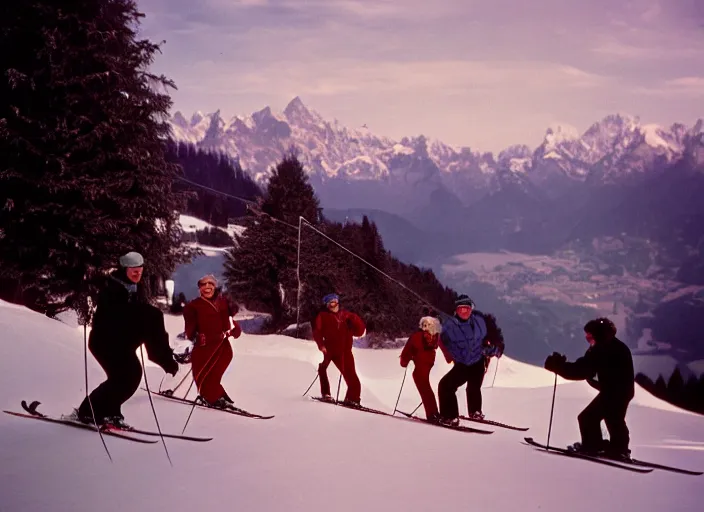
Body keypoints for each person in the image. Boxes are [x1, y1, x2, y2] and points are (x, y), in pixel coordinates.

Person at [66, 251, 179, 427]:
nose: (137, 273)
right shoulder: (112, 288)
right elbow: (117, 314)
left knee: (128, 375)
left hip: (121, 342)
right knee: (125, 376)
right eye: (133, 269)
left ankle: (110, 413)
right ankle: (87, 413)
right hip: (105, 342)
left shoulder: (133, 287)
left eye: (140, 269)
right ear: (124, 269)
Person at [544, 317, 635, 459]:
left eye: (589, 336)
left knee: (589, 418)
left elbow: (582, 370)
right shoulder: (612, 345)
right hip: (619, 391)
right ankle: (616, 448)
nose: (588, 339)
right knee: (612, 418)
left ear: (598, 334)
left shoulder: (602, 348)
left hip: (614, 392)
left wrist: (559, 366)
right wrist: (562, 366)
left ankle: (597, 447)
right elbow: (585, 366)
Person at [437, 295, 504, 426]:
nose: (464, 312)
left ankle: (476, 412)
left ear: (471, 309)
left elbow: (492, 335)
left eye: (467, 309)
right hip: (462, 364)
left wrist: (495, 348)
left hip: (478, 361)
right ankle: (450, 416)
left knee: (474, 387)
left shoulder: (480, 321)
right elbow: (438, 338)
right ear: (456, 310)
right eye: (461, 309)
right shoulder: (448, 326)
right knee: (445, 386)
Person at [182, 274, 241, 409]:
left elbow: (232, 319)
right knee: (203, 373)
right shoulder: (193, 306)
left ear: (215, 287)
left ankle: (213, 397)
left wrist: (234, 329)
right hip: (204, 347)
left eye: (211, 284)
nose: (207, 287)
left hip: (222, 346)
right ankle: (211, 397)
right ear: (199, 288)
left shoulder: (223, 302)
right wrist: (195, 337)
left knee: (214, 374)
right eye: (204, 284)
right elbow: (190, 330)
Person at [312, 293, 366, 407]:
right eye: (331, 302)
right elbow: (317, 331)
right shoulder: (322, 316)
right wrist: (321, 345)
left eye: (336, 301)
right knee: (322, 368)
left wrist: (355, 320)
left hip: (344, 352)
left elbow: (360, 332)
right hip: (329, 349)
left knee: (352, 377)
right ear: (327, 305)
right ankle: (326, 394)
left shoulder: (347, 315)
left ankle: (352, 399)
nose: (334, 304)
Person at [400, 315, 442, 422]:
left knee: (424, 388)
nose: (425, 327)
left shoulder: (417, 336)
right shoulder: (435, 337)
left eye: (426, 325)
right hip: (428, 364)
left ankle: (432, 414)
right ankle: (434, 412)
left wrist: (404, 361)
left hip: (420, 366)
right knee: (426, 388)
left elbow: (407, 351)